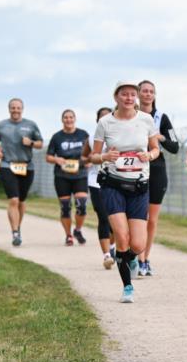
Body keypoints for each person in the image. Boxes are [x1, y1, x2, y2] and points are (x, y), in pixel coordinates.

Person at [89, 82, 161, 302]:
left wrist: (149, 155)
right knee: (121, 237)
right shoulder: (105, 122)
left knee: (138, 244)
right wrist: (104, 157)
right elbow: (93, 156)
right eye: (124, 94)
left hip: (139, 185)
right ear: (116, 97)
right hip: (112, 184)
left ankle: (129, 258)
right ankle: (127, 287)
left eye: (132, 94)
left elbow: (156, 149)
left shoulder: (146, 120)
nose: (129, 98)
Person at [135, 79, 180, 276]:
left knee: (151, 220)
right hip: (135, 168)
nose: (147, 94)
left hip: (157, 169)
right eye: (144, 91)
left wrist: (159, 137)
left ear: (154, 95)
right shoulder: (131, 115)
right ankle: (135, 254)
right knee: (138, 217)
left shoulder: (162, 118)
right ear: (138, 94)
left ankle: (145, 259)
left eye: (150, 91)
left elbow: (175, 146)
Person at [0, 98, 43, 246]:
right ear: (9, 109)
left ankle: (17, 227)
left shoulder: (31, 125)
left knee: (21, 201)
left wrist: (31, 143)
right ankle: (15, 232)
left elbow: (40, 144)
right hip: (8, 165)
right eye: (13, 108)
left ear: (22, 109)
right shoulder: (1, 125)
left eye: (18, 108)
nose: (15, 110)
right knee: (13, 199)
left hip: (27, 166)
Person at [46, 110, 91, 246]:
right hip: (62, 176)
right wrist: (56, 159)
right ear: (62, 120)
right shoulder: (57, 137)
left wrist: (88, 161)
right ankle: (68, 235)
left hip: (80, 175)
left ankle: (77, 230)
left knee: (81, 205)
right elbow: (48, 157)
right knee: (65, 207)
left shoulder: (83, 135)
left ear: (75, 119)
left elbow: (91, 152)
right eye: (65, 117)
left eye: (71, 117)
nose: (68, 120)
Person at [85, 107, 118, 268]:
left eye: (108, 116)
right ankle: (106, 256)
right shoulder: (92, 138)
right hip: (95, 181)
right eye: (101, 117)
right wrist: (89, 160)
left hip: (115, 180)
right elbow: (85, 156)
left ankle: (112, 247)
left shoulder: (120, 135)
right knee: (103, 217)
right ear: (97, 120)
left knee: (115, 219)